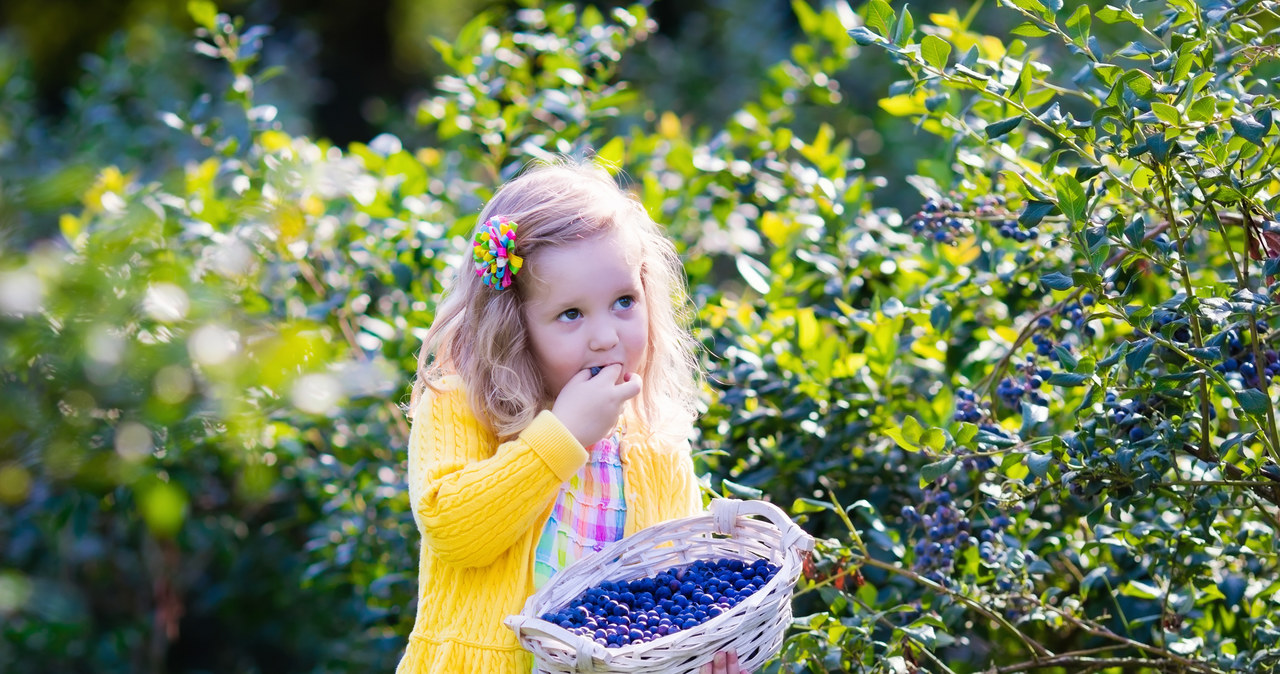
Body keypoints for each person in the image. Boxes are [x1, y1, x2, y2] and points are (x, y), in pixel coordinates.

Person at [397, 158, 745, 673]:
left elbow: (672, 606)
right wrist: (563, 436)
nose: (605, 336)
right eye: (571, 314)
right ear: (513, 324)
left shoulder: (657, 451)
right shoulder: (462, 403)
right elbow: (454, 531)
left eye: (624, 301)